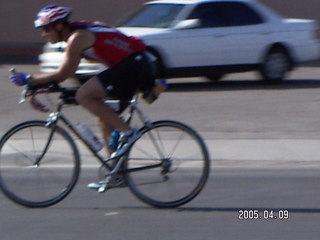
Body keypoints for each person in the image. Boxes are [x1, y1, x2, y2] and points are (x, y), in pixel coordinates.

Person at [9, 5, 157, 188]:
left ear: (60, 26)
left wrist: (30, 79)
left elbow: (63, 73)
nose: (43, 34)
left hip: (134, 65)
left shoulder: (77, 38)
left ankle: (130, 133)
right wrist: (40, 87)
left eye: (46, 29)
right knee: (104, 117)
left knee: (84, 95)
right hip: (134, 64)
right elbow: (66, 76)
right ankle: (116, 173)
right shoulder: (77, 34)